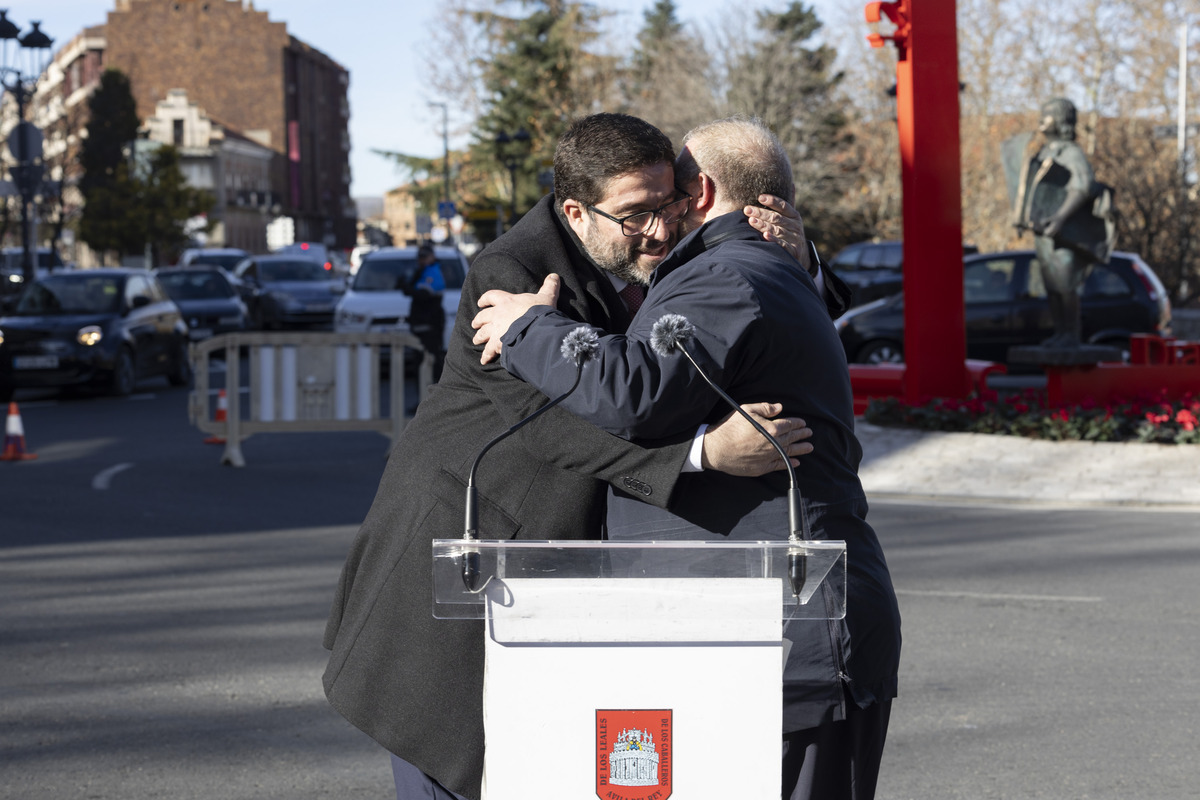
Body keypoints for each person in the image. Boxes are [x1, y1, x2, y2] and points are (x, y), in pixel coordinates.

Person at [322, 112, 841, 800]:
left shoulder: (661, 257)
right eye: (636, 215)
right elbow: (552, 424)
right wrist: (703, 455)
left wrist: (795, 262)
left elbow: (755, 330)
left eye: (670, 205)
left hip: (561, 578)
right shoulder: (510, 275)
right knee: (453, 762)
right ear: (576, 210)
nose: (659, 229)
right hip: (468, 562)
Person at [472, 116, 901, 800]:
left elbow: (635, 390)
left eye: (670, 197)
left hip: (783, 638)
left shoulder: (724, 275)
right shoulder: (755, 266)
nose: (663, 221)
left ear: (700, 192)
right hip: (756, 628)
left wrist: (527, 326)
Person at [1011, 97, 1108, 347]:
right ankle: (1060, 332)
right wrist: (1022, 217)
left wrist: (1060, 217)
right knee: (1052, 285)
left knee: (1065, 284)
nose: (1042, 120)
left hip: (1063, 232)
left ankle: (1071, 335)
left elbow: (1083, 186)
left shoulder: (1070, 152)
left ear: (1062, 121)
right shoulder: (1044, 152)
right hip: (1043, 231)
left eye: (1048, 115)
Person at [407, 242, 447, 380]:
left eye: (425, 257)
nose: (422, 260)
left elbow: (424, 294)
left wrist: (409, 288)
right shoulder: (421, 271)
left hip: (431, 324)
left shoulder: (433, 271)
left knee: (433, 361)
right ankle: (423, 398)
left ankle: (436, 398)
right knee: (419, 363)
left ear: (432, 256)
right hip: (420, 323)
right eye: (420, 257)